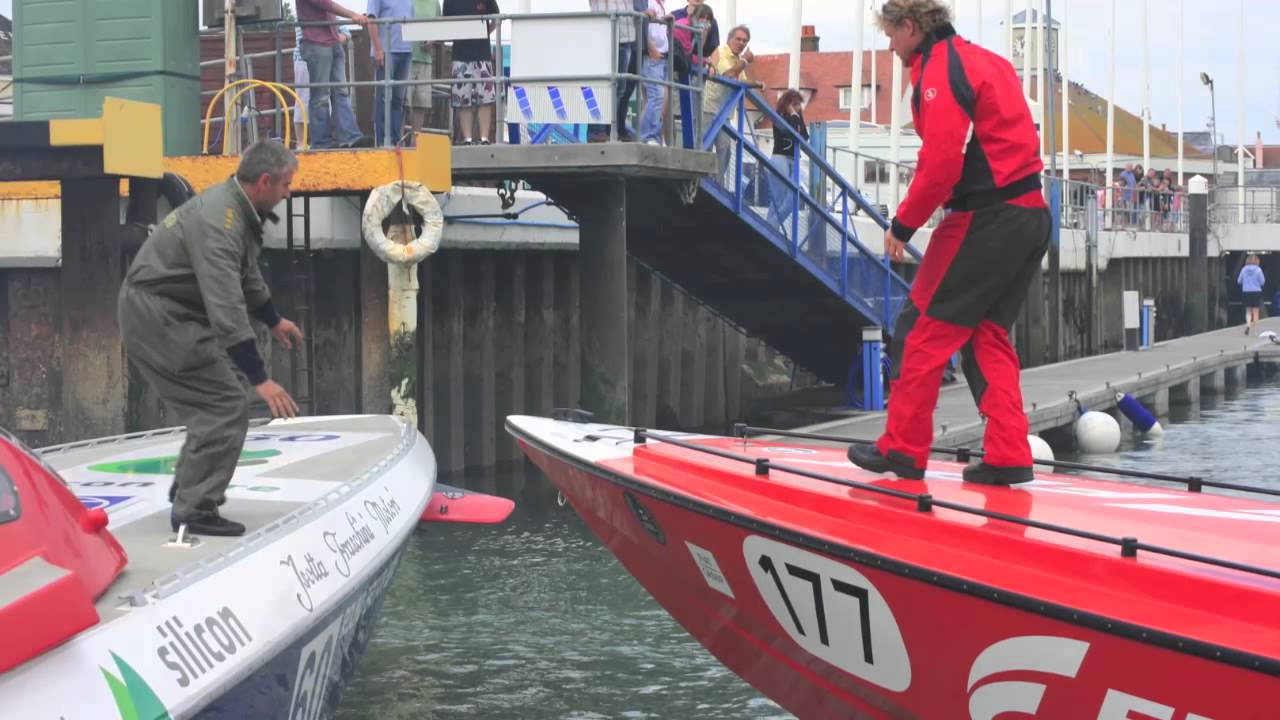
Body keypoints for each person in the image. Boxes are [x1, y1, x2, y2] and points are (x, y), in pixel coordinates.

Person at [846, 0, 1050, 486]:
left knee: (919, 332)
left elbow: (940, 165)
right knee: (985, 336)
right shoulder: (987, 61)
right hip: (1031, 214)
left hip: (987, 218)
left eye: (891, 34)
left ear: (910, 27)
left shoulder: (939, 70)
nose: (890, 45)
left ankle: (902, 449)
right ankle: (1008, 453)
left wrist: (902, 225)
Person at [118, 141, 305, 537]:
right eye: (286, 185)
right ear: (265, 181)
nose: (289, 193)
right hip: (158, 316)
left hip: (171, 312)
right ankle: (194, 509)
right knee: (225, 405)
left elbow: (247, 274)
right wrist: (261, 380)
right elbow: (227, 309)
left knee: (219, 397)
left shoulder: (238, 207)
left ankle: (189, 486)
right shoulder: (220, 223)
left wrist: (273, 320)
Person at [297, 0, 375, 149]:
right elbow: (326, 4)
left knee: (341, 92)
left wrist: (343, 32)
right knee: (321, 96)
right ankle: (321, 143)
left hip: (333, 41)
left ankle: (350, 137)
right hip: (316, 42)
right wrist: (353, 15)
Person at [443, 0, 500, 145]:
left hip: (482, 54)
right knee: (462, 100)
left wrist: (486, 33)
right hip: (460, 56)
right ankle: (467, 138)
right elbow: (445, 25)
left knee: (485, 98)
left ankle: (484, 138)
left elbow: (496, 17)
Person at [367, 0, 412, 146]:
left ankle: (395, 140)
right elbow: (371, 20)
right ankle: (381, 141)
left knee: (398, 99)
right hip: (386, 51)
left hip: (406, 51)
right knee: (383, 98)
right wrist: (378, 48)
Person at [767, 88, 808, 232]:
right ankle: (772, 228)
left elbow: (803, 137)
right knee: (778, 197)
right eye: (794, 104)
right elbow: (790, 132)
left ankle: (771, 224)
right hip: (780, 157)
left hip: (794, 159)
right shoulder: (778, 117)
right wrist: (793, 115)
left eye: (798, 105)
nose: (797, 108)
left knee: (793, 198)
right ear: (786, 104)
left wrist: (796, 116)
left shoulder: (797, 117)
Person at [407, 0, 441, 136]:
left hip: (425, 60)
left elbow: (440, 27)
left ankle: (415, 144)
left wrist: (432, 40)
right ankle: (398, 142)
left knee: (420, 105)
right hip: (405, 59)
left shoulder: (435, 3)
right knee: (402, 104)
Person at [1238, 253, 1266, 335]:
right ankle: (1255, 331)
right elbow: (1262, 282)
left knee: (1248, 311)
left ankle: (1248, 325)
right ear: (1257, 261)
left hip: (1246, 291)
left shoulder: (1243, 269)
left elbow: (1239, 281)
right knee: (1256, 311)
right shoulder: (1258, 270)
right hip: (1256, 291)